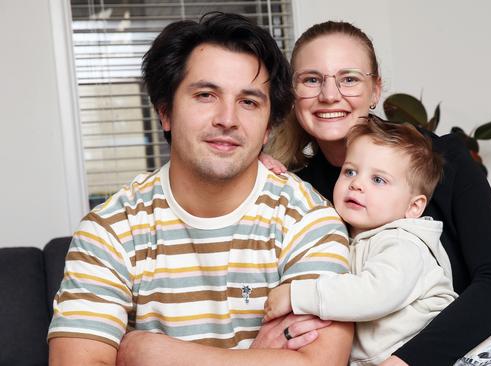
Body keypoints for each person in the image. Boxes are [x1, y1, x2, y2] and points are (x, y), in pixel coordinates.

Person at [47, 13, 354, 366]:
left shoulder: (308, 221)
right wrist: (259, 358)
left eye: (249, 102)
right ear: (166, 113)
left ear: (268, 128)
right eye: (206, 95)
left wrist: (149, 353)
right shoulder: (111, 230)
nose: (227, 118)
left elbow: (320, 363)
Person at [267, 21, 491, 365]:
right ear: (293, 93)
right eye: (311, 79)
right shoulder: (299, 191)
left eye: (349, 79)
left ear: (375, 89)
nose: (329, 95)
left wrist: (403, 362)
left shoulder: (441, 160)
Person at [264, 117, 491, 366]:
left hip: (466, 360)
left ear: (414, 207)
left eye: (378, 180)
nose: (357, 184)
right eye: (350, 171)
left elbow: (373, 294)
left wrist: (297, 296)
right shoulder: (349, 239)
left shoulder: (403, 243)